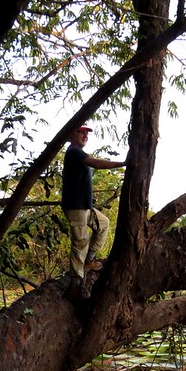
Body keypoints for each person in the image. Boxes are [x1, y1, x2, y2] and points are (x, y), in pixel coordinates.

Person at [61, 124, 126, 299]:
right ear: (72, 135)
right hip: (75, 207)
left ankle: (89, 261)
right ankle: (74, 285)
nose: (85, 135)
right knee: (80, 243)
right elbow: (96, 163)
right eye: (81, 132)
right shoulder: (74, 152)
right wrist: (124, 163)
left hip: (85, 206)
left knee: (103, 224)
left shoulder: (77, 153)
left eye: (86, 133)